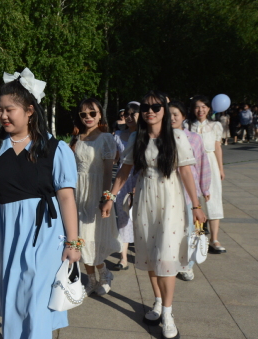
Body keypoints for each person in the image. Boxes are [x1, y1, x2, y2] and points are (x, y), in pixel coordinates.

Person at [0, 68, 81, 339]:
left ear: (30, 110)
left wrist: (73, 243)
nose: (3, 115)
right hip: (9, 231)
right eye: (0, 110)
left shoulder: (54, 148)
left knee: (37, 296)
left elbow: (66, 197)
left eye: (9, 110)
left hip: (45, 231)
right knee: (14, 295)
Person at [109, 91, 206, 339]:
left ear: (164, 109)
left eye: (155, 107)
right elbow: (124, 170)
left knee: (166, 257)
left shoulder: (176, 136)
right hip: (145, 200)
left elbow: (186, 172)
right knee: (152, 255)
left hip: (171, 201)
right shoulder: (137, 138)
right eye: (145, 107)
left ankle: (168, 314)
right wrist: (110, 197)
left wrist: (196, 206)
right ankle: (158, 301)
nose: (150, 111)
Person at [70, 98, 119, 295]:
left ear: (100, 115)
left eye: (92, 113)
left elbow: (108, 172)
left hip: (97, 191)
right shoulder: (76, 138)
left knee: (92, 237)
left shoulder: (106, 138)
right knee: (80, 237)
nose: (88, 117)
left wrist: (106, 197)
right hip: (78, 193)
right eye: (83, 114)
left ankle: (104, 274)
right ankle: (91, 279)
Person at [169, 101, 211, 281]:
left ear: (183, 117)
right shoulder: (161, 137)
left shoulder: (194, 138)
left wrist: (205, 187)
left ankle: (187, 265)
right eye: (169, 115)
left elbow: (202, 164)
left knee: (189, 230)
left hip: (188, 192)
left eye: (175, 115)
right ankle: (171, 261)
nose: (172, 118)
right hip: (169, 192)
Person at [188, 95, 226, 255]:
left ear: (209, 109)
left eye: (204, 107)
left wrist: (221, 168)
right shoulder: (187, 125)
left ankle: (214, 239)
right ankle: (197, 236)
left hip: (210, 162)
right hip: (192, 163)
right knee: (193, 200)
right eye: (197, 107)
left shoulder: (215, 125)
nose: (200, 110)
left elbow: (217, 147)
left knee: (213, 199)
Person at [112, 102, 141, 271]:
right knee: (123, 217)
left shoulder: (146, 136)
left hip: (141, 178)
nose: (129, 117)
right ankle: (123, 258)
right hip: (123, 179)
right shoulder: (118, 135)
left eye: (133, 114)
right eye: (127, 114)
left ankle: (143, 251)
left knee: (141, 218)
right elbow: (115, 159)